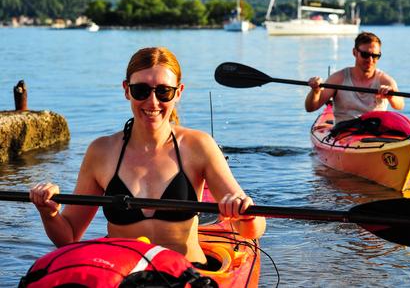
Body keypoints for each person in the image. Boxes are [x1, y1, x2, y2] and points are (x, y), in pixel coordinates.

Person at [29, 47, 266, 265]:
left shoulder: (199, 145)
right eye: (141, 90)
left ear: (178, 93)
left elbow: (252, 230)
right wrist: (49, 213)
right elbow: (68, 236)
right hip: (126, 275)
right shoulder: (100, 151)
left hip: (188, 274)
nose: (152, 101)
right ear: (126, 90)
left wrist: (245, 215)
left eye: (164, 92)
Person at [305, 32, 404, 123]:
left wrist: (391, 96)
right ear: (354, 52)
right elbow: (310, 108)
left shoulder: (385, 80)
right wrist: (316, 91)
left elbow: (400, 105)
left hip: (375, 130)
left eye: (375, 56)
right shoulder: (338, 79)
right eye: (365, 55)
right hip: (344, 132)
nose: (370, 60)